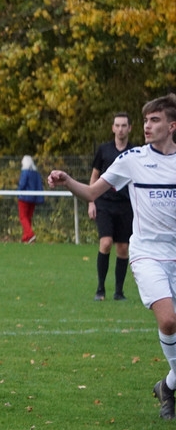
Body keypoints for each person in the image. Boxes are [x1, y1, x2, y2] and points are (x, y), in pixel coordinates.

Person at [47, 94, 176, 420]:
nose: (147, 126)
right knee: (169, 320)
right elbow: (92, 192)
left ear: (172, 126)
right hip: (147, 253)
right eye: (145, 120)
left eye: (155, 120)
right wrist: (67, 181)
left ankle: (168, 386)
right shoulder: (132, 158)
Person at [89, 113, 133, 300]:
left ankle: (119, 292)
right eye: (117, 125)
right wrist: (91, 201)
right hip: (105, 204)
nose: (121, 129)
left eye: (124, 125)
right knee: (106, 243)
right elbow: (94, 176)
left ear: (130, 128)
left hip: (126, 206)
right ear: (113, 128)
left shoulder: (135, 152)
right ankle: (100, 289)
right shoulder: (104, 150)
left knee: (123, 248)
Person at [17, 155, 44, 243]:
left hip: (24, 198)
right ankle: (26, 237)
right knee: (28, 217)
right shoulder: (36, 173)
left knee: (23, 217)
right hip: (33, 198)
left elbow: (22, 184)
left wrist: (18, 191)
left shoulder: (25, 172)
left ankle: (30, 234)